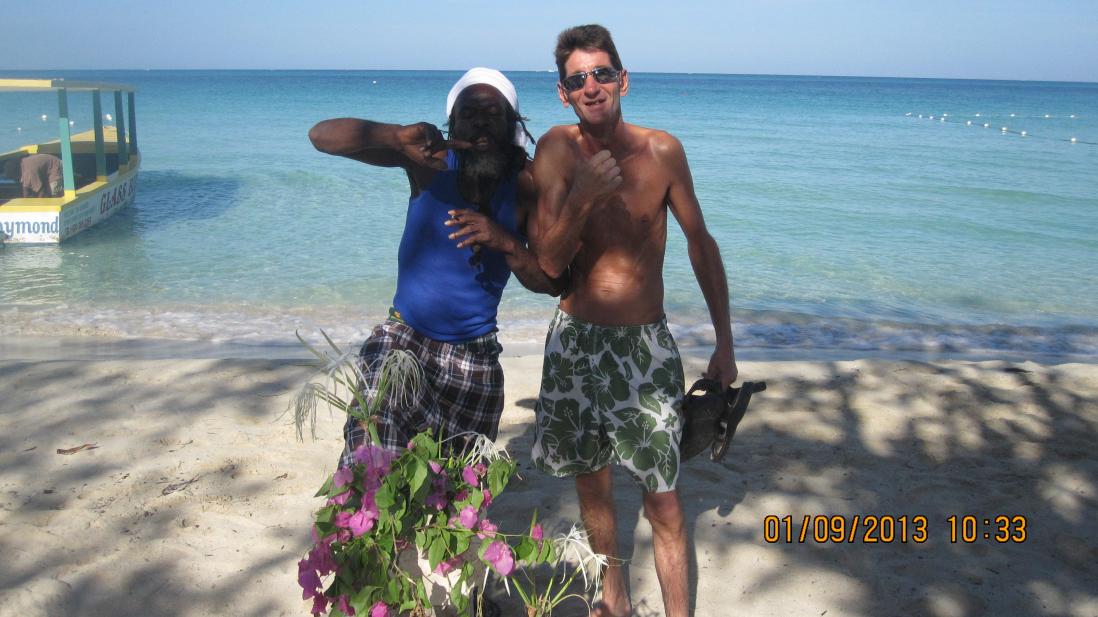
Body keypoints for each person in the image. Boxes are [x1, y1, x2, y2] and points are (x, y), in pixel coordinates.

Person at [529, 25, 737, 617]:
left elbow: (700, 244)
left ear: (623, 79)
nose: (591, 86)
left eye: (601, 73)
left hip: (644, 347)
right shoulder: (555, 150)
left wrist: (724, 342)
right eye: (577, 79)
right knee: (592, 486)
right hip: (575, 343)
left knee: (663, 501)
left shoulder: (661, 151)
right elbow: (547, 262)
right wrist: (583, 197)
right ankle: (614, 600)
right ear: (563, 94)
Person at [308, 68, 560, 463]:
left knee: (458, 486)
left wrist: (507, 242)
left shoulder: (527, 183)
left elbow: (550, 282)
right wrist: (394, 136)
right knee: (371, 451)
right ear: (451, 123)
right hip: (403, 339)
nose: (480, 122)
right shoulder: (430, 162)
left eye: (493, 113)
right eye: (468, 113)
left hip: (475, 355)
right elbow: (321, 137)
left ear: (513, 121)